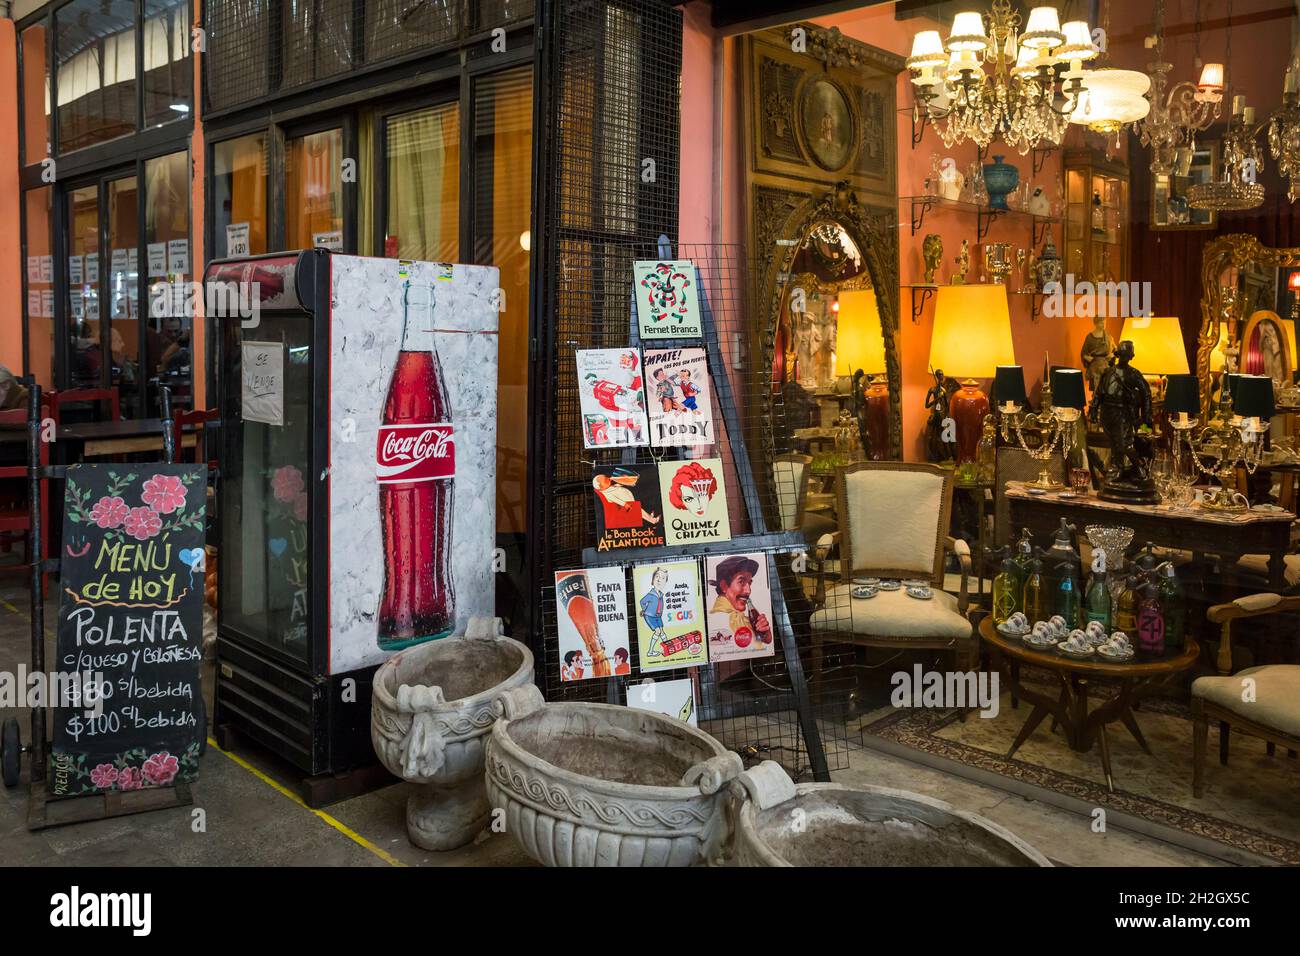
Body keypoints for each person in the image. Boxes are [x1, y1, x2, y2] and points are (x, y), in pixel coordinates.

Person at [709, 556, 771, 646]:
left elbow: (766, 641)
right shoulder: (717, 619)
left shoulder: (744, 619)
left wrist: (765, 632)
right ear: (724, 586)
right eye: (741, 582)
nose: (748, 591)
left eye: (749, 583)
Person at [638, 567, 670, 657]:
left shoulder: (660, 595)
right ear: (652, 580)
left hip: (657, 616)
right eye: (657, 577)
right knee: (657, 632)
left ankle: (668, 646)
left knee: (662, 631)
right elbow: (642, 602)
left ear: (665, 583)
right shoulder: (651, 594)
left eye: (663, 578)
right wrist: (645, 610)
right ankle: (650, 651)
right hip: (650, 616)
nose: (659, 580)